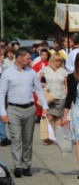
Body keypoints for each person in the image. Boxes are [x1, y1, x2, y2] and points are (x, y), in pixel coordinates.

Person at [0, 47, 49, 177]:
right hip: (14, 109)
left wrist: (44, 105)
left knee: (27, 139)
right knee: (16, 138)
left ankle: (26, 165)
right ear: (20, 58)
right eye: (28, 58)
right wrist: (2, 112)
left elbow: (38, 90)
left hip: (29, 109)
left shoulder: (31, 72)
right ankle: (17, 166)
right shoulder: (7, 73)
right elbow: (1, 93)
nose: (30, 60)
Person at [42, 52, 68, 132]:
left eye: (60, 61)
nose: (59, 62)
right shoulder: (45, 70)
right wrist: (44, 88)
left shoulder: (63, 71)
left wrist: (67, 94)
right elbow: (41, 82)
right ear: (52, 60)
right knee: (49, 116)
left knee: (58, 117)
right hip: (49, 97)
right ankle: (50, 136)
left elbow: (66, 84)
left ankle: (58, 137)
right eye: (57, 61)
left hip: (61, 96)